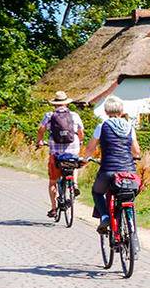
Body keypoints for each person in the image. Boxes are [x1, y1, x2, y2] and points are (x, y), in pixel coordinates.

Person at [82, 95, 141, 234]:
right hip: (129, 171)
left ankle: (105, 216)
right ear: (121, 111)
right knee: (130, 191)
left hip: (108, 170)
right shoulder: (129, 127)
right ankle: (126, 217)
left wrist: (85, 159)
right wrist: (135, 157)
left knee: (97, 192)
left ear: (106, 111)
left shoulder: (102, 126)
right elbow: (136, 151)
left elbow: (90, 148)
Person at [36, 91, 85, 218]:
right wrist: (80, 141)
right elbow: (81, 131)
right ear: (66, 103)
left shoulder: (49, 115)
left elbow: (41, 129)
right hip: (72, 150)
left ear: (55, 104)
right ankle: (74, 184)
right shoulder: (74, 115)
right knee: (74, 164)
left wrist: (39, 141)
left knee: (53, 182)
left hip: (56, 153)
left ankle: (53, 209)